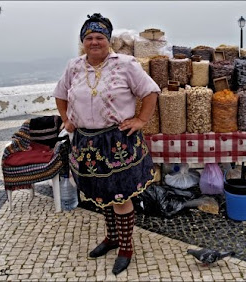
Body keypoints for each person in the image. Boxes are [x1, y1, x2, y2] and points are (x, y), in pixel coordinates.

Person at [53, 13, 160, 275]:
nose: (94, 42)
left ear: (108, 40)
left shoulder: (125, 64)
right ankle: (112, 238)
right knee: (102, 194)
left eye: (99, 37)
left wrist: (140, 119)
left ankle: (126, 248)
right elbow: (60, 93)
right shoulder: (74, 66)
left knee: (121, 196)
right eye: (89, 37)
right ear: (82, 42)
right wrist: (66, 119)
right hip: (86, 142)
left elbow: (150, 91)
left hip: (117, 141)